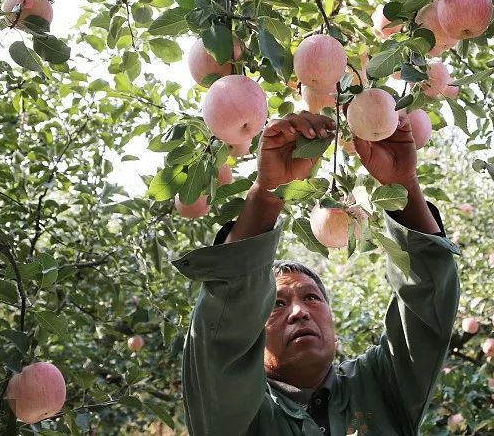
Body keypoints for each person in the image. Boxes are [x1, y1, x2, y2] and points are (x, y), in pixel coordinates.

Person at [172, 111, 461, 435]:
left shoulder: (379, 386)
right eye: (277, 304)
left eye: (311, 297)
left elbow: (427, 311)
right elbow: (221, 335)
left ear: (332, 320)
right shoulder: (232, 412)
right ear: (252, 330)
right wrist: (267, 193)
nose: (299, 312)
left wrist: (403, 187)